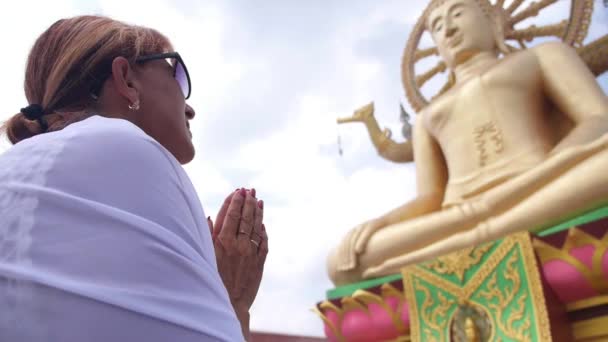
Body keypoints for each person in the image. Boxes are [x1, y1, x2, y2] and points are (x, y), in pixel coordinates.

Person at [0, 15, 267, 341]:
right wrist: (234, 303)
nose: (189, 107)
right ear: (126, 79)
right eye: (177, 74)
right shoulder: (131, 149)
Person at [327, 0, 608, 286]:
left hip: (538, 183)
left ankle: (466, 246)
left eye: (458, 14)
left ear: (494, 22)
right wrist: (383, 224)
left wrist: (550, 167)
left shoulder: (544, 55)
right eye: (437, 27)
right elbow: (430, 198)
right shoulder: (427, 117)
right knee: (342, 262)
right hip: (461, 213)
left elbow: (598, 120)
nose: (448, 29)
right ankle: (496, 231)